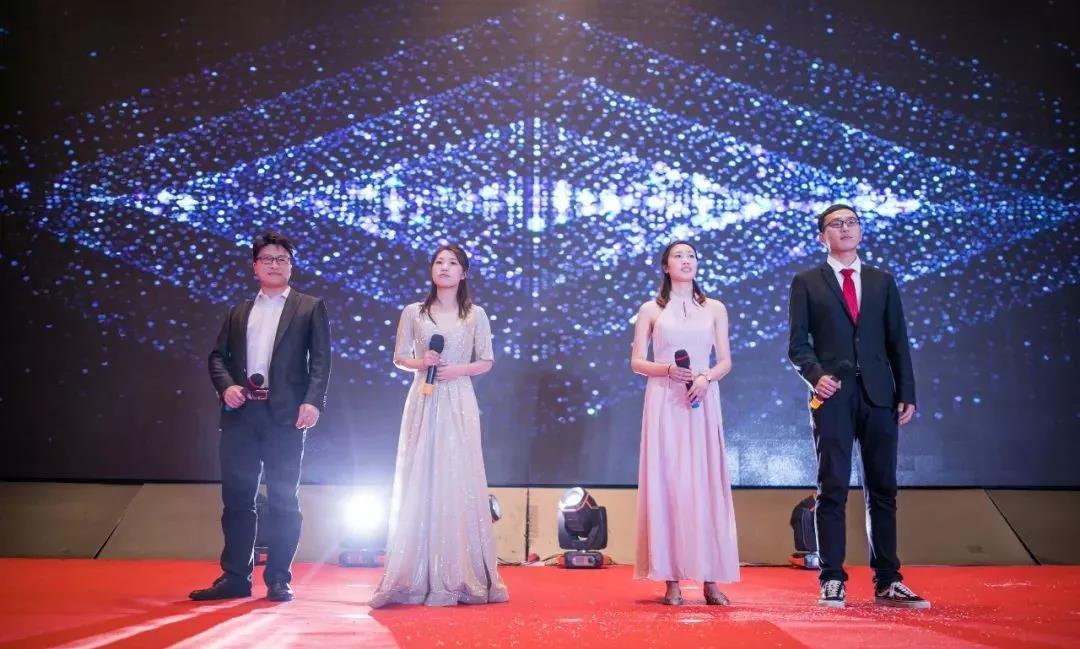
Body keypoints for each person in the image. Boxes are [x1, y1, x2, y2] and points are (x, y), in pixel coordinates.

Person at [787, 204, 930, 609]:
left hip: (880, 396)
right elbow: (797, 344)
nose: (845, 228)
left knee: (883, 488)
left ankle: (888, 580)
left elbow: (897, 341)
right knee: (831, 486)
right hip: (833, 396)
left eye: (852, 222)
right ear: (823, 236)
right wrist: (816, 375)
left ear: (861, 231)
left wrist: (907, 391)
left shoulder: (882, 281)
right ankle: (832, 578)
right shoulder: (806, 282)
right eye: (836, 224)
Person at [191, 231, 331, 603]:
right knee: (238, 499)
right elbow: (217, 358)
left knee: (284, 499)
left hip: (285, 416)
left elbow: (321, 360)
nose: (274, 264)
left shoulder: (308, 307)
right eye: (267, 258)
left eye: (281, 259)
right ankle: (235, 576)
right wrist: (226, 387)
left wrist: (313, 401)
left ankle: (279, 578)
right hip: (241, 416)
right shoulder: (239, 311)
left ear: (291, 266)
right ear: (255, 266)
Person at [369, 244, 508, 608]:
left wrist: (458, 369)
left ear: (464, 273)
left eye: (453, 263)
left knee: (456, 476)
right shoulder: (413, 312)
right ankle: (413, 574)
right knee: (421, 474)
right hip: (424, 395)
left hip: (458, 398)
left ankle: (458, 573)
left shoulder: (475, 314)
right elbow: (399, 357)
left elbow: (486, 361)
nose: (444, 267)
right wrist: (421, 362)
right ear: (431, 270)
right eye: (439, 262)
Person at [630, 240, 740, 606]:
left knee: (705, 482)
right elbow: (637, 362)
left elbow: (725, 360)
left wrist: (706, 377)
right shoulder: (651, 309)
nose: (686, 260)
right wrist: (666, 370)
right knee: (669, 482)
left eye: (691, 255)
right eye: (678, 256)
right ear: (666, 266)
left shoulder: (714, 308)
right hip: (664, 399)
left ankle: (711, 579)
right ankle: (671, 580)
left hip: (702, 398)